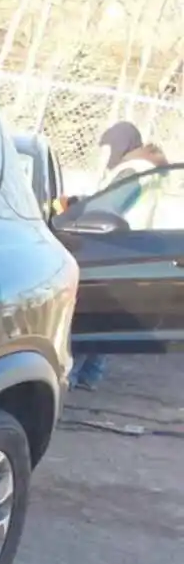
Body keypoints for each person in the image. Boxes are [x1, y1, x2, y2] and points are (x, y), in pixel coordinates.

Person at [72, 122, 169, 390]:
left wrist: (77, 210)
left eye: (107, 148)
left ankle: (72, 375)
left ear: (120, 145)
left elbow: (104, 208)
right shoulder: (150, 170)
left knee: (91, 313)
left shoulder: (132, 171)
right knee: (110, 314)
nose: (104, 156)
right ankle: (91, 374)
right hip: (139, 249)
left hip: (115, 247)